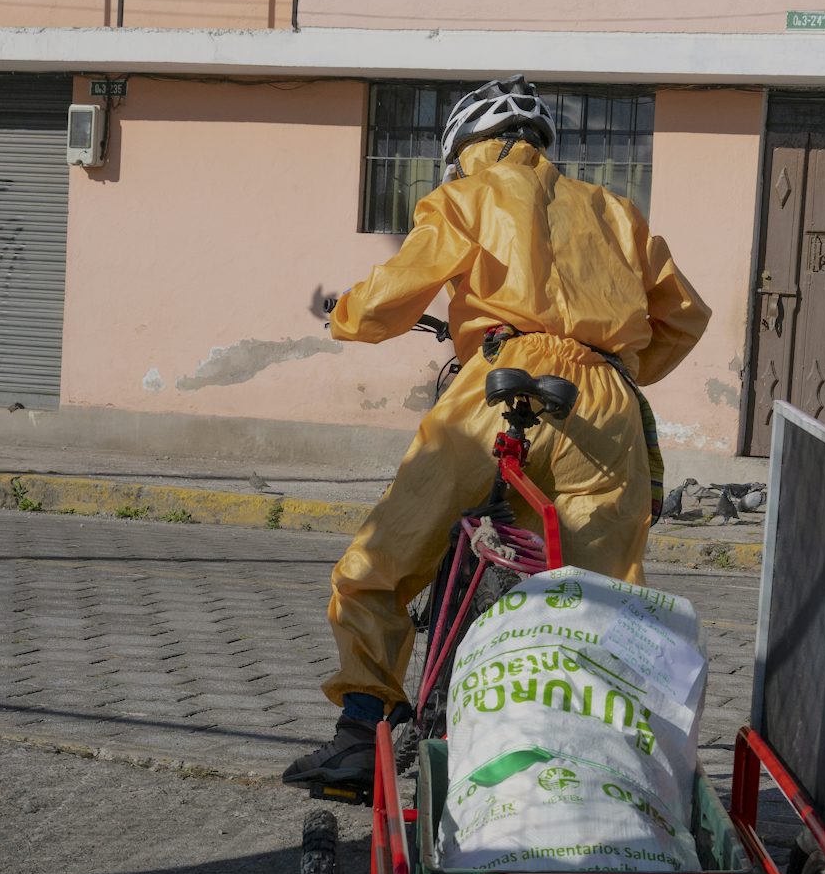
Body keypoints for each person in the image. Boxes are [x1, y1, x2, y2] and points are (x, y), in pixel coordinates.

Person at [282, 76, 710, 794]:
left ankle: (364, 733)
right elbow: (685, 316)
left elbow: (394, 293)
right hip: (603, 403)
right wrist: (614, 364)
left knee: (379, 564)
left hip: (501, 382)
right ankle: (592, 763)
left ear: (464, 151)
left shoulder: (468, 197)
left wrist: (344, 316)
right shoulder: (615, 211)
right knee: (600, 599)